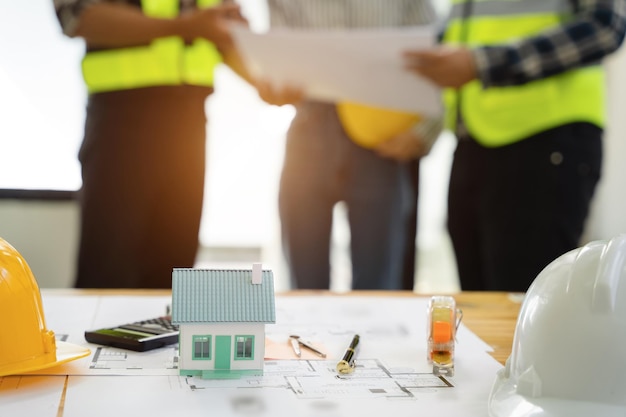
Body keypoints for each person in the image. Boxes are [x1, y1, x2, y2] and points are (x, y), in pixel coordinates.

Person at [404, 0, 626, 292]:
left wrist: (482, 63)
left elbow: (606, 26)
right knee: (482, 314)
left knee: (523, 308)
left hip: (545, 142)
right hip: (472, 142)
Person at [53, 0, 253, 288]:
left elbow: (219, 33)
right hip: (121, 121)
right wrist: (185, 27)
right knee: (108, 272)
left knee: (173, 278)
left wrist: (264, 81)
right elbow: (77, 15)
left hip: (190, 121)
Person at [267, 0, 442, 290]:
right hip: (310, 121)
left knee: (379, 286)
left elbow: (435, 46)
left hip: (381, 128)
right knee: (304, 287)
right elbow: (277, 45)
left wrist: (426, 127)